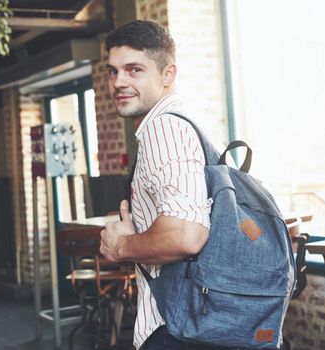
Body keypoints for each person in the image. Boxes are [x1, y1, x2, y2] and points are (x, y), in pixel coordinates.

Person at [99, 20, 235, 350]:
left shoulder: (164, 130)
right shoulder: (185, 120)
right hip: (197, 320)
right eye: (113, 71)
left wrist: (121, 245)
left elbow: (186, 235)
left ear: (167, 74)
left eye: (134, 70)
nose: (119, 82)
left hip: (175, 327)